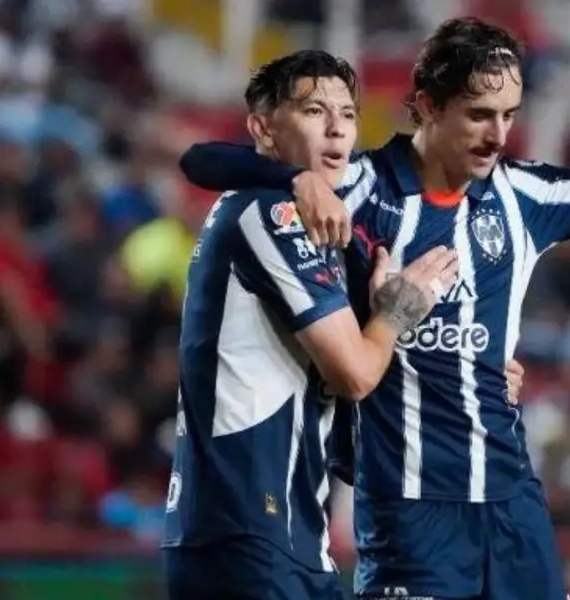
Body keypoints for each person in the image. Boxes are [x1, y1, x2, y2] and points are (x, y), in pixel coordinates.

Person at [178, 17, 570, 600]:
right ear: (426, 106)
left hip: (511, 504)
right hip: (408, 514)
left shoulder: (523, 195)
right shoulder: (359, 189)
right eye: (478, 114)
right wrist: (293, 178)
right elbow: (201, 161)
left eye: (509, 115)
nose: (498, 135)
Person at [161, 50, 461, 600]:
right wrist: (398, 309)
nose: (336, 128)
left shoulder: (321, 223)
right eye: (314, 111)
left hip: (283, 532)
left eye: (347, 114)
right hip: (247, 530)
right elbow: (354, 372)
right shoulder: (268, 212)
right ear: (264, 129)